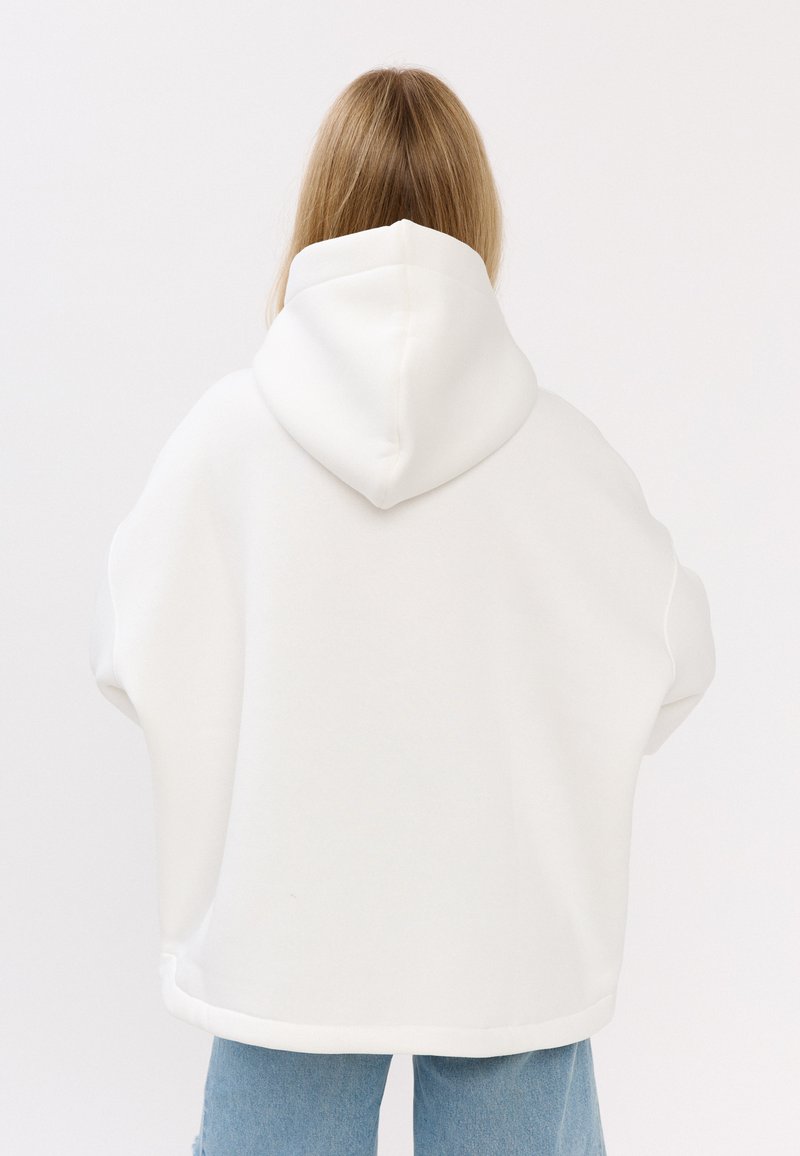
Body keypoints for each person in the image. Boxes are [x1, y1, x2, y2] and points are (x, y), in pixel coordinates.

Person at [89, 66, 715, 1156]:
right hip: (510, 936)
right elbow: (677, 655)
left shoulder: (226, 440)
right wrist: (555, 751)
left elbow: (126, 651)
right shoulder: (560, 452)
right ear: (477, 218)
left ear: (316, 210)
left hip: (282, 940)